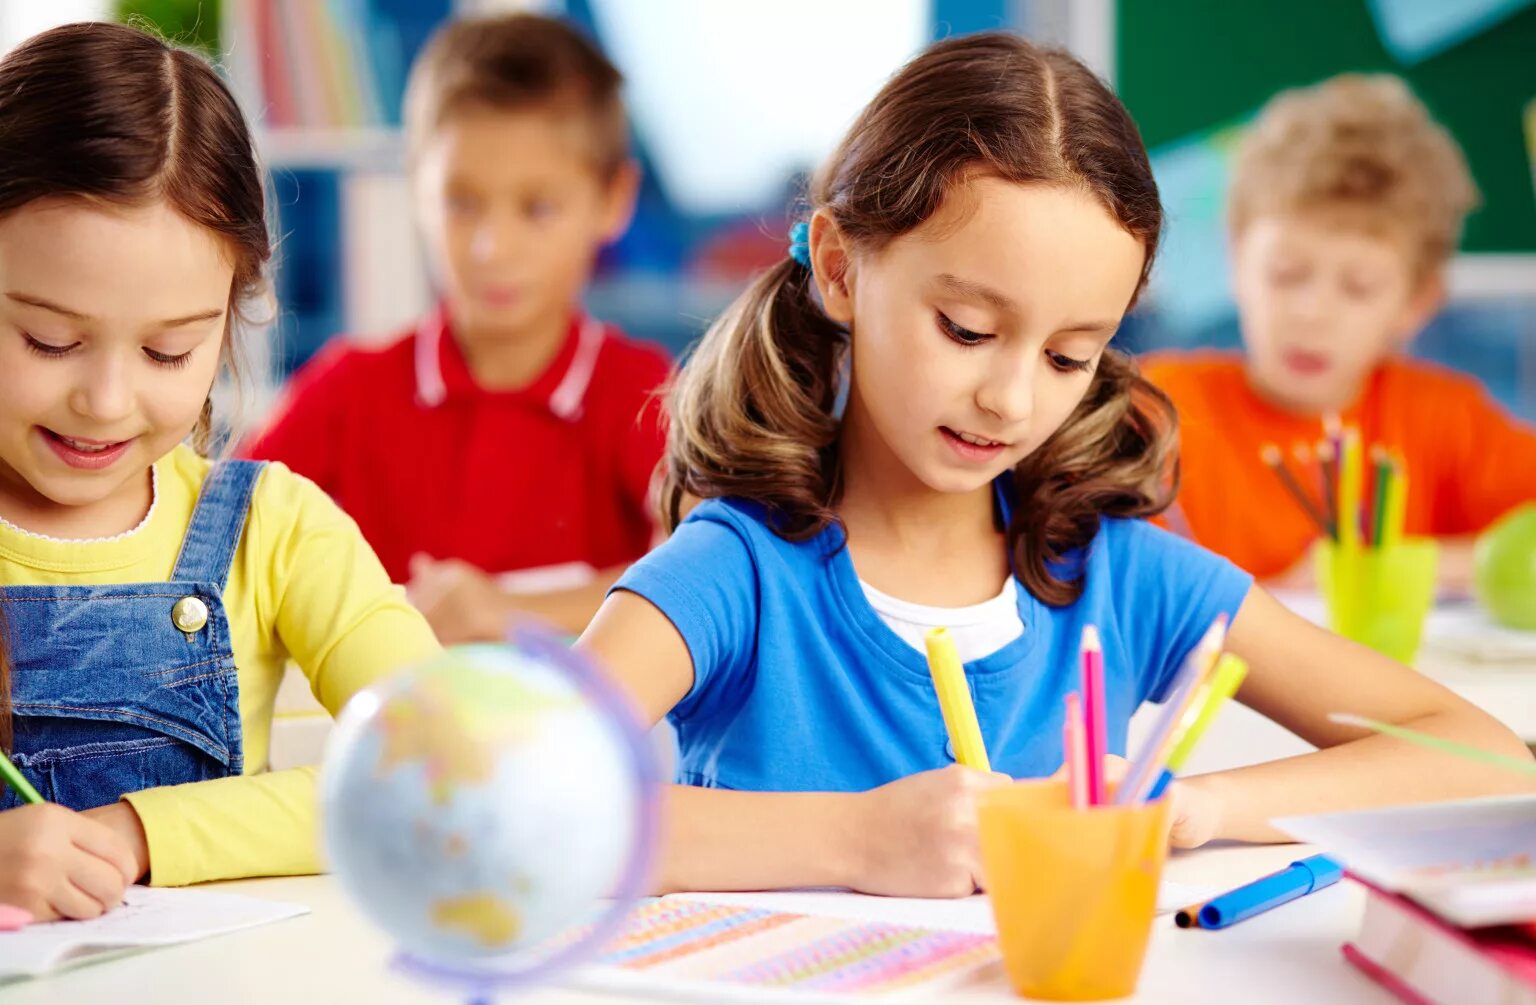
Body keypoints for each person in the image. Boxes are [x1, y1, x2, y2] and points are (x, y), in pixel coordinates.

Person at [574, 34, 1534, 897]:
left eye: (1070, 356)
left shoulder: (1119, 576)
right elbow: (515, 800)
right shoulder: (733, 574)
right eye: (968, 329)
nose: (1012, 398)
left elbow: (1489, 760)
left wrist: (1186, 807)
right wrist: (858, 839)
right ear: (838, 269)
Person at [0, 22, 438, 899]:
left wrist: (138, 834)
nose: (107, 401)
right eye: (50, 340)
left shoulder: (276, 531)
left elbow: (435, 767)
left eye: (168, 353)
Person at [242, 13, 671, 640]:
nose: (491, 248)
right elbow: (223, 532)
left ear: (613, 201)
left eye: (538, 207)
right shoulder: (349, 388)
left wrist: (505, 614)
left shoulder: (645, 392)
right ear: (416, 189)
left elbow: (717, 569)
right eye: (461, 203)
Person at [1142, 74, 1536, 586]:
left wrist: (1393, 567)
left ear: (1417, 301)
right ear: (1235, 260)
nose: (1313, 313)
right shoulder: (1161, 411)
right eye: (1286, 273)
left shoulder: (1443, 420)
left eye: (1358, 287)